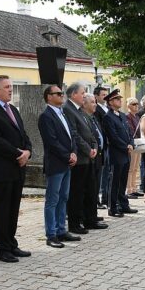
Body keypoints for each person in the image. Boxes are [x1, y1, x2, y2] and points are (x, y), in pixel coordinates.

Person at [0, 75, 33, 263]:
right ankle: (2, 249)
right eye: (7, 87)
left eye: (11, 86)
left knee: (13, 209)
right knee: (1, 210)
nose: (11, 89)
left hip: (17, 169)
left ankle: (12, 244)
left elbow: (24, 134)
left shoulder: (13, 110)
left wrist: (28, 151)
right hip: (2, 170)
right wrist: (18, 154)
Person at [38, 85, 80, 248]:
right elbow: (52, 142)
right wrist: (67, 155)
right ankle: (51, 234)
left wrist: (74, 152)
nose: (62, 95)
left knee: (64, 197)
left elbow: (72, 136)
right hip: (56, 164)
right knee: (52, 200)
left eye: (62, 93)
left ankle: (61, 230)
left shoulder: (63, 113)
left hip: (67, 163)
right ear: (49, 97)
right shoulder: (46, 116)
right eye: (58, 93)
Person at [63, 83, 106, 234]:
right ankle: (75, 224)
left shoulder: (80, 111)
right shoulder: (68, 109)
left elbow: (90, 132)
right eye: (82, 93)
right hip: (80, 158)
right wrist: (88, 150)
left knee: (90, 191)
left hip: (89, 157)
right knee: (77, 193)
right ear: (74, 94)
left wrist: (94, 147)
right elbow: (75, 134)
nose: (84, 95)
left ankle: (90, 220)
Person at [101, 89, 138, 216]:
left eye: (120, 99)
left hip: (126, 153)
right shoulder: (108, 117)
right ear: (110, 102)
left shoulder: (122, 115)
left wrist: (131, 143)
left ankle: (123, 204)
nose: (120, 101)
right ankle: (113, 207)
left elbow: (129, 132)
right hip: (116, 153)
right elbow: (113, 136)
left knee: (123, 180)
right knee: (114, 181)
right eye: (117, 99)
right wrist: (125, 146)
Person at [82, 93, 108, 228]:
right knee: (90, 189)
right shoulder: (83, 118)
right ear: (84, 104)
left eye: (95, 102)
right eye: (92, 102)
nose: (95, 105)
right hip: (90, 157)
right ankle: (88, 218)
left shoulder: (93, 118)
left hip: (98, 156)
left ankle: (93, 214)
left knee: (95, 188)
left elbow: (97, 136)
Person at [93, 87, 110, 208]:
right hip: (101, 146)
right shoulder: (96, 109)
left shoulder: (107, 108)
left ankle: (106, 197)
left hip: (108, 144)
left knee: (107, 173)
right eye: (103, 94)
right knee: (101, 174)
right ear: (96, 96)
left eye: (106, 94)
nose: (105, 97)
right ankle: (98, 199)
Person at [125, 97, 143, 198]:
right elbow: (130, 131)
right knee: (131, 168)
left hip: (138, 143)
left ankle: (134, 187)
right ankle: (128, 189)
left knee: (136, 167)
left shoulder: (136, 117)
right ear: (128, 106)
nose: (136, 106)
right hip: (132, 144)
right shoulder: (127, 116)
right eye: (133, 104)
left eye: (137, 104)